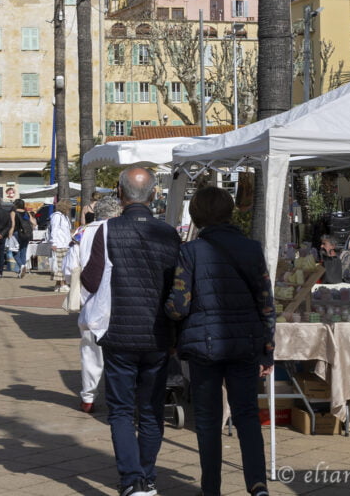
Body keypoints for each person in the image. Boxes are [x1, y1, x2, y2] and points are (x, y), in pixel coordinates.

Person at [165, 186, 275, 496]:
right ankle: (257, 484)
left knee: (208, 420)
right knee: (247, 415)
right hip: (244, 344)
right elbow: (266, 303)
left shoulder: (190, 252)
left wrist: (166, 313)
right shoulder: (252, 249)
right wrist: (268, 350)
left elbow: (178, 305)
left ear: (197, 215)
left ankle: (211, 487)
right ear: (229, 212)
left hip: (203, 346)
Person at [95, 167, 180, 496]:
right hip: (157, 335)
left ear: (119, 193)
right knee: (151, 409)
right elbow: (178, 287)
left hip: (118, 333)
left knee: (119, 409)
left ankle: (132, 480)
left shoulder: (107, 232)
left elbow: (92, 281)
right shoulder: (168, 234)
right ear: (155, 195)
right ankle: (147, 475)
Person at [62, 194, 122, 413]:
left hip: (90, 301)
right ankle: (119, 397)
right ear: (117, 213)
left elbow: (69, 270)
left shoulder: (80, 233)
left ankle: (88, 397)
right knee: (121, 354)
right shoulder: (122, 231)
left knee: (90, 352)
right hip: (120, 300)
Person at [48, 201, 74, 292]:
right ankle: (62, 284)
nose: (69, 210)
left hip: (65, 244)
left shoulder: (64, 217)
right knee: (60, 265)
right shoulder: (57, 216)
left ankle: (58, 285)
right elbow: (54, 229)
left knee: (61, 265)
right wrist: (54, 243)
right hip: (59, 244)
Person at [9, 199, 33, 278]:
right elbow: (34, 223)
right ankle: (21, 270)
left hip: (16, 233)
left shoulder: (13, 212)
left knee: (15, 252)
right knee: (23, 251)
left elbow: (13, 224)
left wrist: (10, 234)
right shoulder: (27, 213)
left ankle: (21, 265)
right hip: (26, 234)